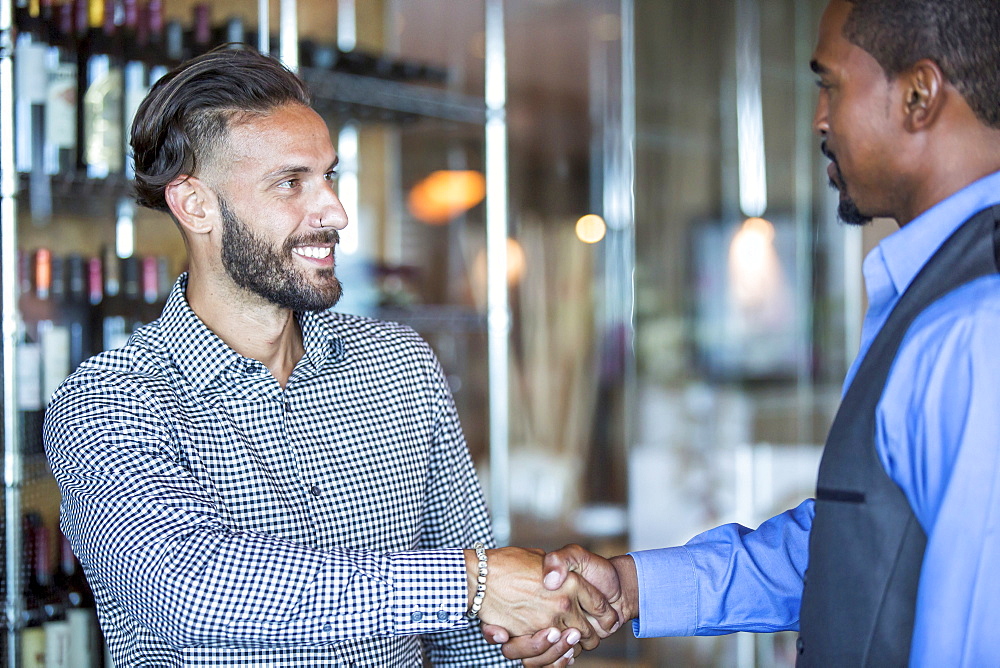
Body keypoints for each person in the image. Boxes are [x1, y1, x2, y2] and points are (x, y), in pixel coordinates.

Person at [42, 47, 618, 666]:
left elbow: (468, 633)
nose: (335, 212)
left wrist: (530, 630)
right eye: (292, 183)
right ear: (196, 205)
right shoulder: (108, 402)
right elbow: (187, 587)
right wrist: (473, 582)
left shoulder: (398, 363)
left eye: (330, 176)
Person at [485, 0, 1000, 665]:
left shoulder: (976, 328)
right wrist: (632, 585)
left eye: (830, 84)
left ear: (919, 96)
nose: (819, 117)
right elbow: (857, 543)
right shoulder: (939, 295)